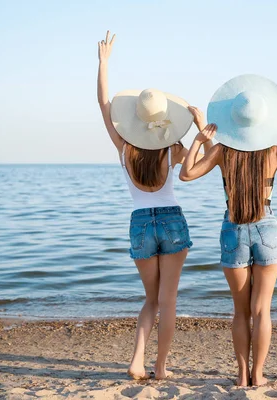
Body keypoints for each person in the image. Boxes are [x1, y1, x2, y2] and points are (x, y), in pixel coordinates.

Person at [179, 74, 277, 386]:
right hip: (266, 228)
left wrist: (197, 140)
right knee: (261, 311)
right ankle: (258, 375)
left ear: (233, 121)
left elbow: (186, 174)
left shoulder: (221, 151)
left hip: (233, 227)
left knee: (240, 311)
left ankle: (242, 374)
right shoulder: (275, 152)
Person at [96, 31, 211, 380]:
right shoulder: (171, 148)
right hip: (172, 221)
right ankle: (160, 368)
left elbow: (103, 106)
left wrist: (103, 64)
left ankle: (136, 360)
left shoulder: (124, 149)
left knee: (150, 299)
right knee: (168, 301)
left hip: (140, 222)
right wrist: (201, 128)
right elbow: (199, 164)